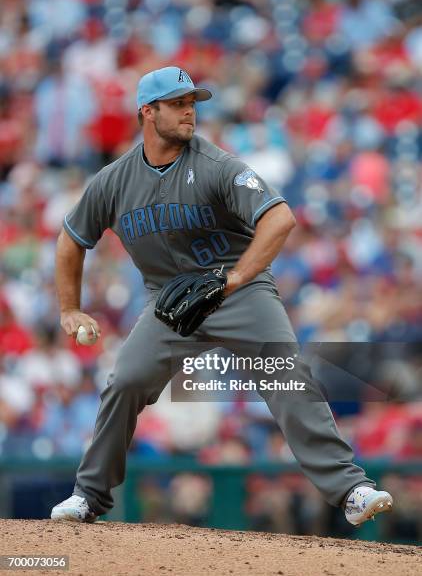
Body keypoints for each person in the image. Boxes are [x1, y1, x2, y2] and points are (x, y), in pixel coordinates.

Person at [51, 66, 393, 526]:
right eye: (177, 103)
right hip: (170, 305)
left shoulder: (215, 165)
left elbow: (280, 219)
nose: (189, 110)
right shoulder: (114, 182)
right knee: (125, 381)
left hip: (240, 293)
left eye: (192, 101)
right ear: (147, 113)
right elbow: (72, 239)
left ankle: (350, 489)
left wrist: (233, 279)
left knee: (286, 374)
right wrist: (69, 307)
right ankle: (89, 497)